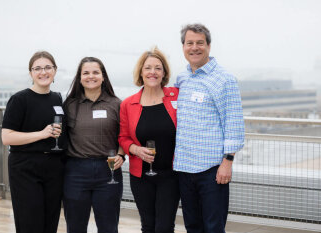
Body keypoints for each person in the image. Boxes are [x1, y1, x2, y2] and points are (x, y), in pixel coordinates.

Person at [173, 23, 245, 233]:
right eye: (189, 43)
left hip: (212, 169)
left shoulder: (225, 79)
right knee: (193, 226)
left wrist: (227, 163)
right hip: (184, 168)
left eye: (199, 43)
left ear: (209, 46)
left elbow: (233, 123)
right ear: (183, 47)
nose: (194, 48)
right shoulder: (182, 78)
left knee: (213, 227)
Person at [1, 51, 66, 233]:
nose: (43, 72)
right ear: (31, 73)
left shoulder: (57, 99)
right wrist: (42, 134)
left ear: (55, 70)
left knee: (50, 222)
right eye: (37, 68)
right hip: (25, 167)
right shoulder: (19, 99)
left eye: (47, 67)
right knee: (30, 223)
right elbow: (7, 137)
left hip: (53, 167)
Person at [119, 47, 180, 233]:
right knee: (148, 225)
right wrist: (135, 150)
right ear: (141, 72)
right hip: (141, 177)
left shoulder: (177, 96)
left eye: (157, 68)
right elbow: (122, 137)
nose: (152, 72)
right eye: (148, 68)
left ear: (164, 73)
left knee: (164, 227)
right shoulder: (128, 104)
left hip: (171, 175)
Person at [63, 57, 124, 233]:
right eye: (86, 73)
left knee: (108, 227)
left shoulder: (116, 104)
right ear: (80, 77)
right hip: (75, 172)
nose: (91, 76)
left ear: (103, 76)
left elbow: (124, 135)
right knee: (75, 227)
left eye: (96, 72)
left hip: (108, 171)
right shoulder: (70, 104)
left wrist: (121, 155)